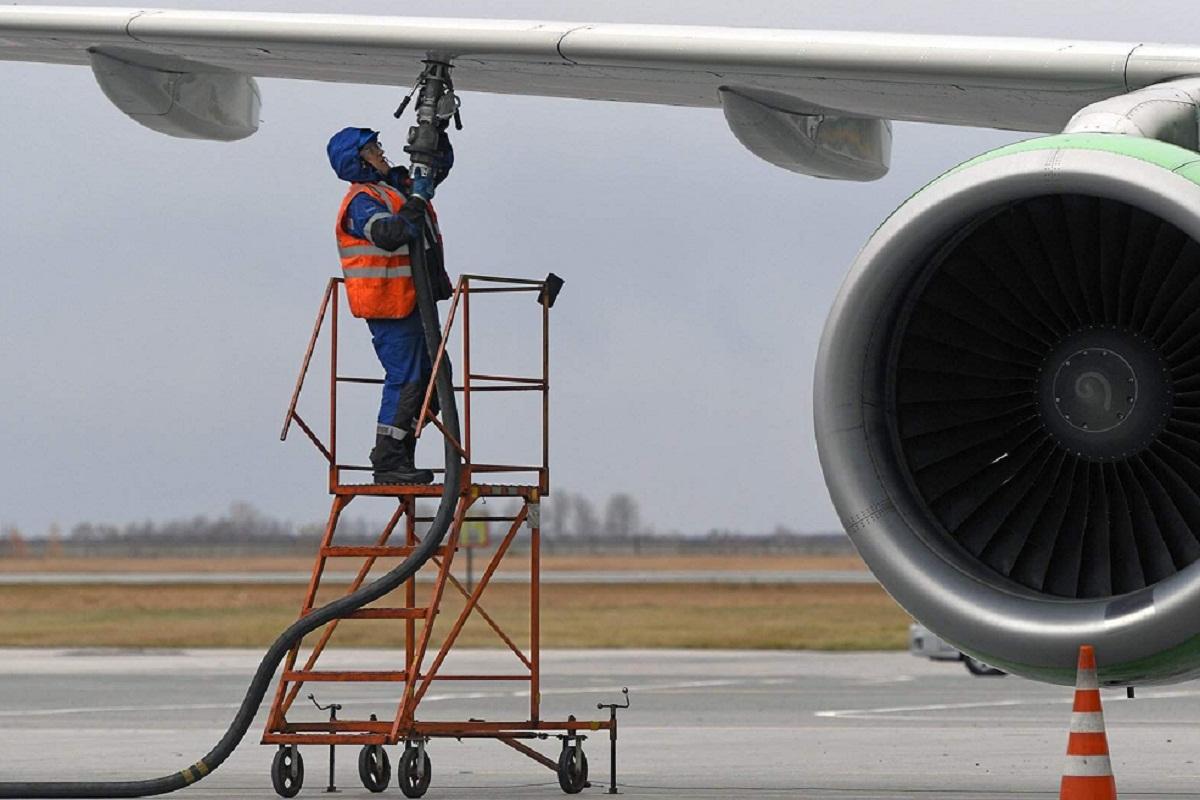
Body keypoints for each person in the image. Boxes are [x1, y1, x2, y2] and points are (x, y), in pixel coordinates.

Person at [326, 126, 454, 484]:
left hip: (414, 301)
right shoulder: (361, 202)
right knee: (409, 379)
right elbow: (389, 234)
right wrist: (416, 202)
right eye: (373, 149)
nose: (381, 152)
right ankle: (388, 460)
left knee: (436, 379)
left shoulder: (393, 188)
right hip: (391, 307)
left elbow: (435, 171)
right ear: (358, 161)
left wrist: (436, 135)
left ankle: (401, 452)